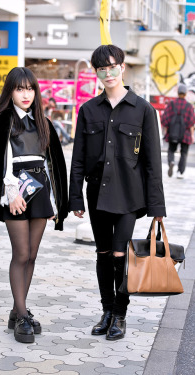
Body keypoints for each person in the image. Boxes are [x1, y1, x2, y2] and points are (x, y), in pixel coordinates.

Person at [69, 45, 166, 341]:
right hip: (97, 193)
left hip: (129, 197)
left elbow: (153, 161)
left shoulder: (143, 109)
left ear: (122, 67)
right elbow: (79, 158)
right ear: (96, 73)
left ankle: (120, 315)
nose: (108, 73)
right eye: (102, 69)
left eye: (113, 67)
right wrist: (75, 197)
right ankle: (107, 311)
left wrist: (157, 207)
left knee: (120, 255)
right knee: (102, 254)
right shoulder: (88, 110)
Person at [0, 67, 68, 343]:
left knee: (33, 255)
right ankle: (22, 316)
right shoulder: (1, 121)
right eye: (20, 88)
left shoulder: (44, 122)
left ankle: (18, 310)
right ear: (10, 91)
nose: (26, 94)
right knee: (21, 254)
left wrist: (59, 202)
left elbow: (55, 166)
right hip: (13, 192)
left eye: (30, 88)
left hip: (39, 191)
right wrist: (7, 191)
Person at [161, 83, 194, 179]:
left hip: (173, 132)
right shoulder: (189, 106)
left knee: (171, 150)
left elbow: (164, 119)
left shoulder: (171, 104)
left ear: (178, 92)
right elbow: (191, 122)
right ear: (186, 93)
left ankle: (171, 162)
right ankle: (180, 172)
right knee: (184, 153)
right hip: (185, 134)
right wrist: (191, 134)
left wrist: (167, 129)